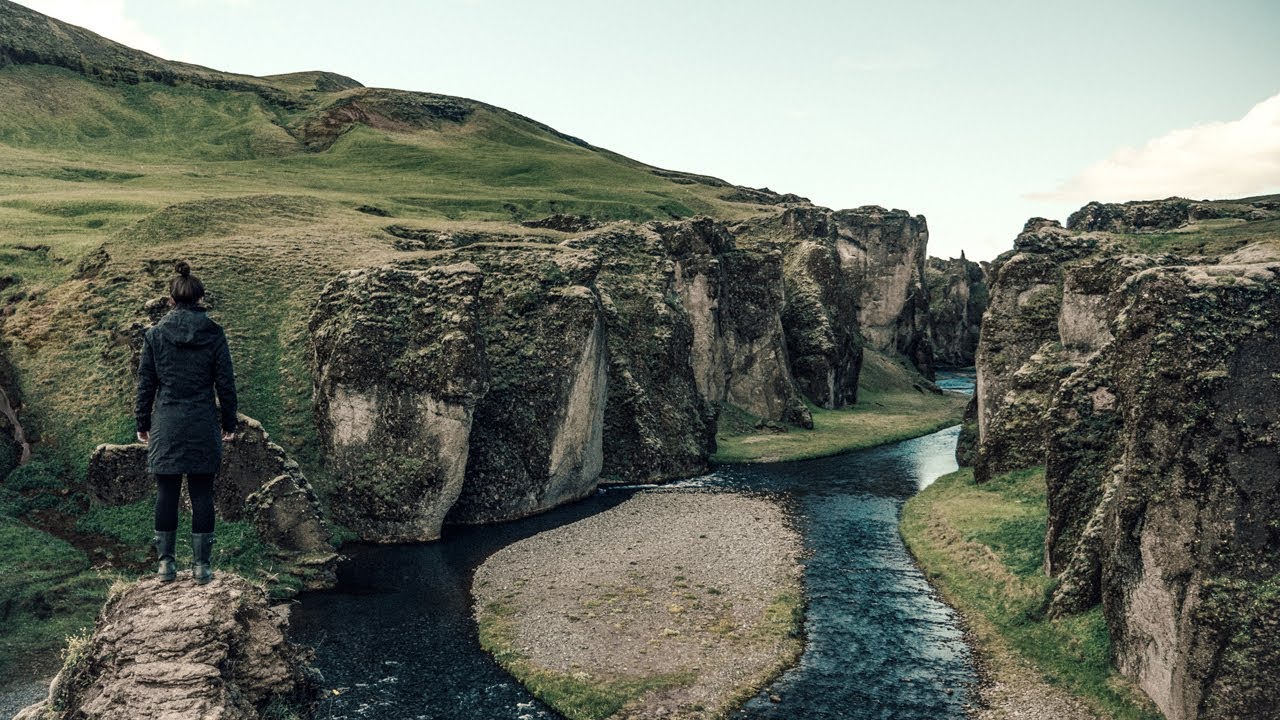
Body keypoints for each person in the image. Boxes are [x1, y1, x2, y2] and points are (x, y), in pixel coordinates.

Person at [134, 261, 238, 584]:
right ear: (200, 298)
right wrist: (229, 422)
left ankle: (166, 566)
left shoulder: (154, 335)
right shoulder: (215, 334)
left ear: (171, 300)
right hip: (202, 421)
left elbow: (145, 384)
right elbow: (226, 383)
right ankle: (202, 568)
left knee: (166, 492)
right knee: (202, 494)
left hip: (166, 422)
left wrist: (142, 421)